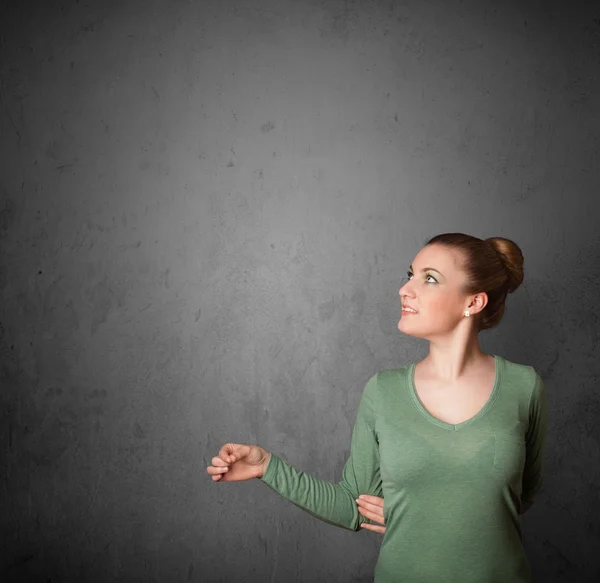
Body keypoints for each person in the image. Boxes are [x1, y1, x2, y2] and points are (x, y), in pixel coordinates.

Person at [207, 232, 548, 583]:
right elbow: (351, 507)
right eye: (410, 274)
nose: (405, 289)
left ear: (473, 303)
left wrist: (416, 514)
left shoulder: (524, 387)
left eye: (429, 278)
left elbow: (518, 498)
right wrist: (267, 467)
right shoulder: (383, 392)